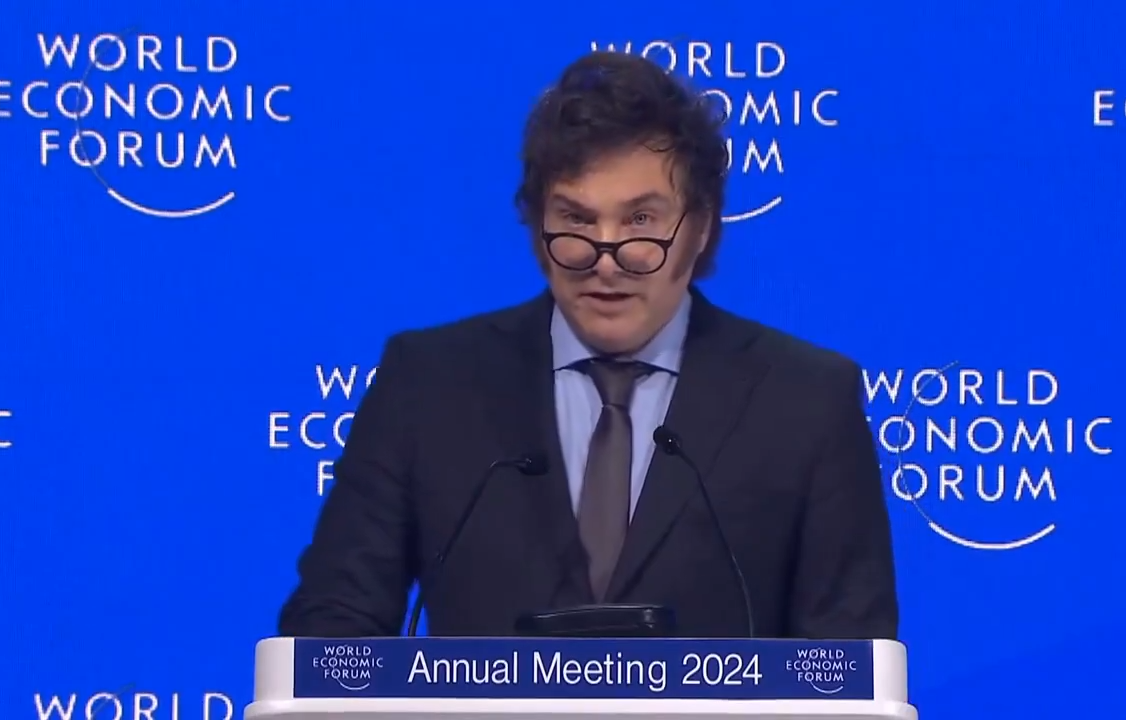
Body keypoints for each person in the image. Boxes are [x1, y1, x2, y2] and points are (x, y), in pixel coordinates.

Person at [278, 51, 898, 639]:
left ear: (701, 228)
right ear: (537, 225)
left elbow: (847, 663)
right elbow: (331, 628)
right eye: (576, 220)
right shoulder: (428, 385)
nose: (605, 260)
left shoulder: (806, 402)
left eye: (640, 222)